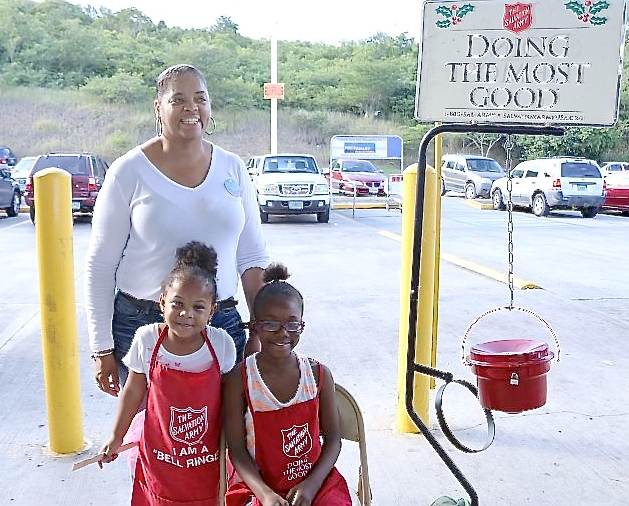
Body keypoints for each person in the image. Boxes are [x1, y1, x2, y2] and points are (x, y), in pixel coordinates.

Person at [85, 63, 269, 397]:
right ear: (158, 107)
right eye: (178, 99)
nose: (191, 108)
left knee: (220, 438)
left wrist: (258, 328)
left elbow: (252, 256)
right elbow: (100, 265)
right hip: (143, 325)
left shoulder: (233, 167)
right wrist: (101, 348)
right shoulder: (128, 171)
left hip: (222, 324)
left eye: (200, 98)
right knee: (153, 438)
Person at [99, 241, 236, 504]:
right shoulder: (147, 338)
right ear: (162, 303)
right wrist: (116, 436)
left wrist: (237, 448)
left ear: (212, 311)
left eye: (199, 307)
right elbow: (133, 391)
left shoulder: (221, 344)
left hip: (209, 458)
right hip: (160, 452)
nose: (186, 314)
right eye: (177, 304)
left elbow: (232, 400)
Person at [223, 263, 352, 506]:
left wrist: (312, 486)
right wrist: (265, 494)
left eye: (293, 324)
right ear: (255, 326)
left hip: (316, 484)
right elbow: (237, 449)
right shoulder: (239, 380)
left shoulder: (318, 375)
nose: (283, 333)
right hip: (260, 488)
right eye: (271, 324)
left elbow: (333, 439)